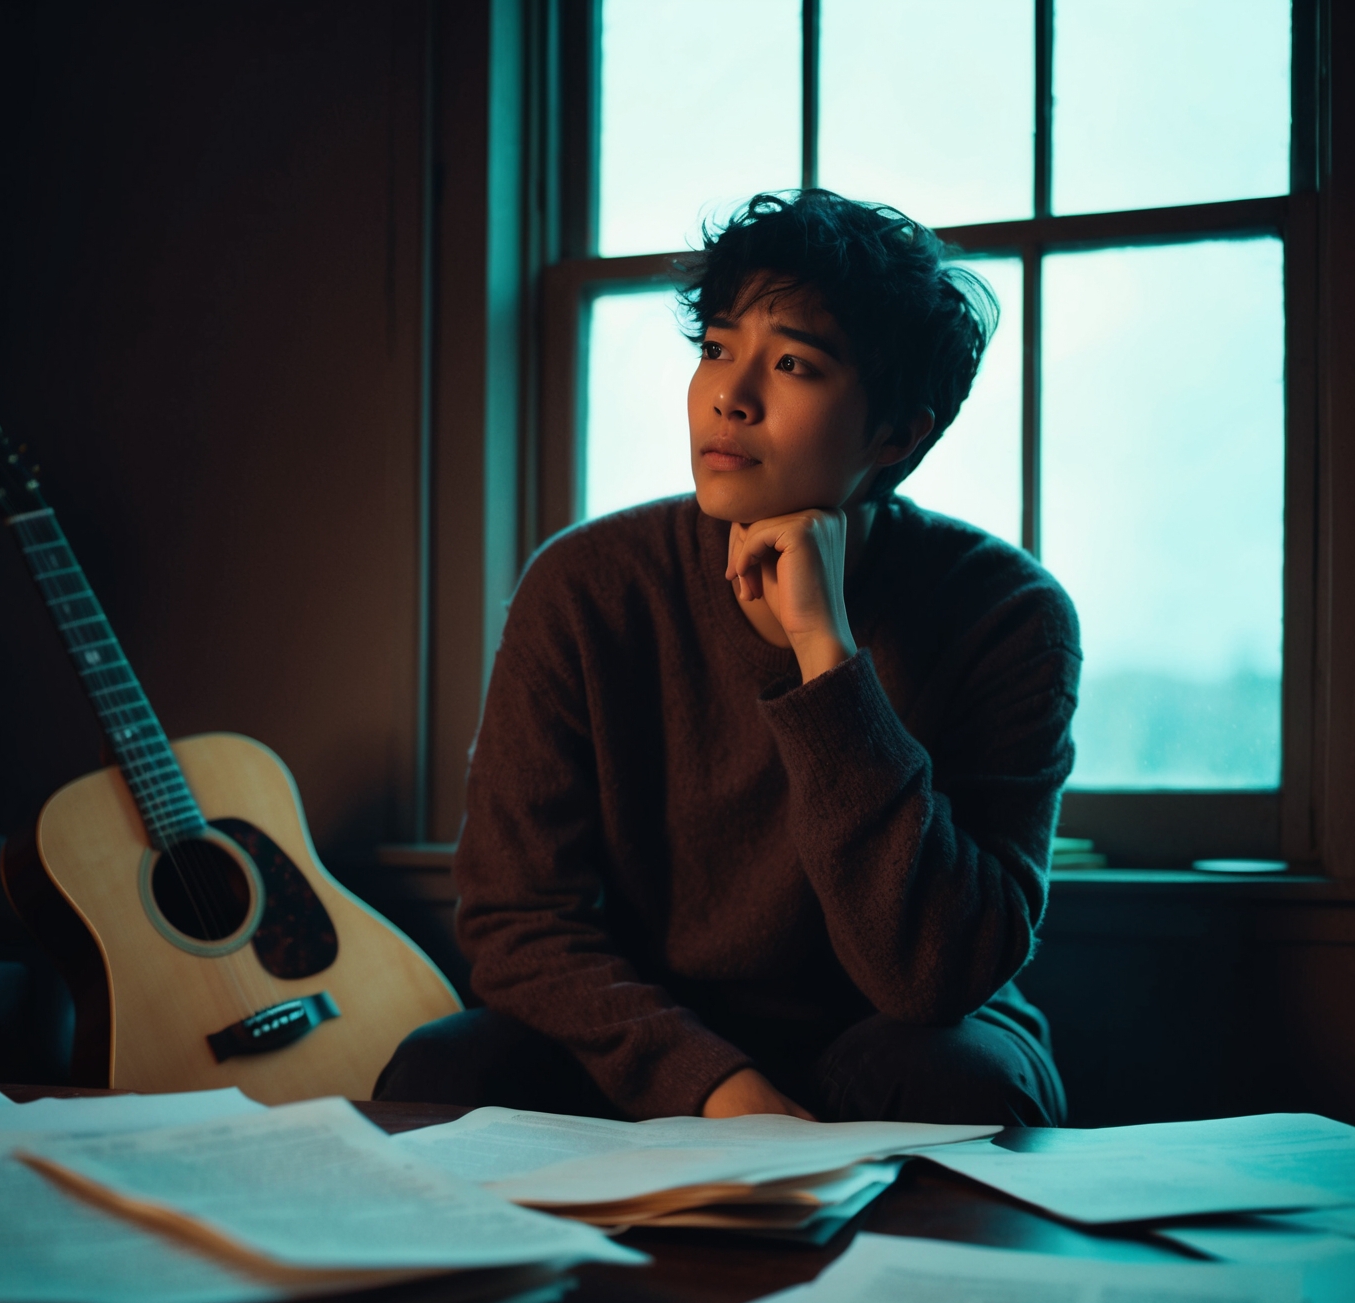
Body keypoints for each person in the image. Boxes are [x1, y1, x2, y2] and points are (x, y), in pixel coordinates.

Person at [376, 189, 1079, 1126]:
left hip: (900, 1032)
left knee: (951, 1079)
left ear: (899, 433)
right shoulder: (586, 585)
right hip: (659, 1031)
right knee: (447, 1069)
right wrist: (711, 1087)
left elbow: (934, 975)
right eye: (715, 348)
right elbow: (516, 921)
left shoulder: (1008, 613)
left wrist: (826, 659)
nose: (729, 397)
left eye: (792, 363)